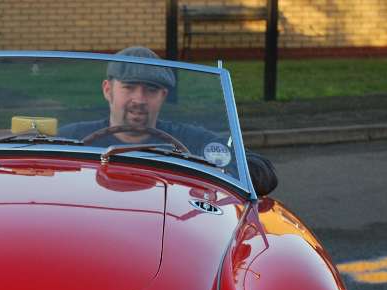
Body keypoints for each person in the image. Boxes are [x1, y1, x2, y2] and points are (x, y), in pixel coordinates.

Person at [59, 46, 278, 195]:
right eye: (129, 87)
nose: (139, 99)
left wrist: (223, 170)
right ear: (108, 90)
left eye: (151, 90)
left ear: (163, 95)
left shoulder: (191, 141)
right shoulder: (72, 139)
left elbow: (263, 173)